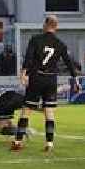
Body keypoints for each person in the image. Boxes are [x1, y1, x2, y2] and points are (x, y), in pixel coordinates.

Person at [11, 15, 80, 153]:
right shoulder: (60, 44)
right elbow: (69, 63)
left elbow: (29, 58)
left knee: (27, 109)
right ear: (56, 27)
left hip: (37, 77)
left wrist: (23, 73)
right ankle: (49, 143)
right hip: (51, 79)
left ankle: (18, 141)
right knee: (49, 111)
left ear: (45, 25)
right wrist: (76, 80)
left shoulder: (36, 40)